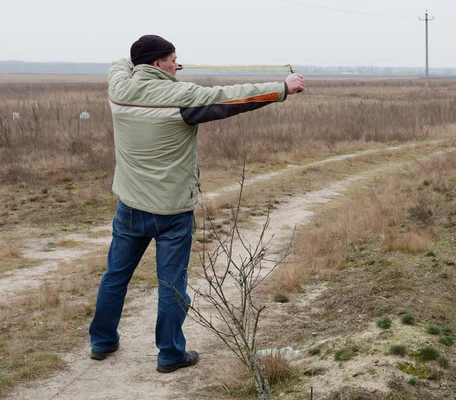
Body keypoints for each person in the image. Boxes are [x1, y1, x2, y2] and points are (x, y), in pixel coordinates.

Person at [89, 35, 304, 373]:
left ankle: (101, 342)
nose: (178, 64)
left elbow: (119, 64)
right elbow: (234, 98)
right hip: (172, 212)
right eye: (173, 59)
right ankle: (170, 355)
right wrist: (283, 87)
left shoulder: (118, 87)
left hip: (130, 207)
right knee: (172, 285)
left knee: (116, 276)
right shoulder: (182, 96)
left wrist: (138, 64)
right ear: (158, 62)